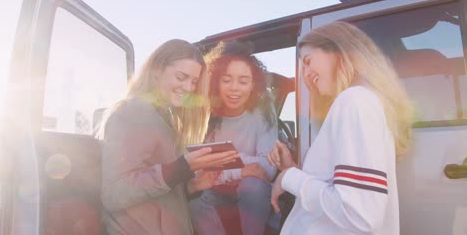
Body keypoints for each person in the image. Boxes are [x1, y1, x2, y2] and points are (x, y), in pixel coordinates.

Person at [268, 21, 414, 234]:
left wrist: (289, 177)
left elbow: (359, 214)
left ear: (338, 50)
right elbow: (341, 190)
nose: (305, 73)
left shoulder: (354, 100)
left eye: (308, 61)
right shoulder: (360, 101)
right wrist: (291, 168)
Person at [99, 39, 239, 235]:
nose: (189, 87)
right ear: (156, 70)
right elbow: (115, 193)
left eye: (194, 81)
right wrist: (181, 168)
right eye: (181, 77)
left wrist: (191, 187)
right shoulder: (134, 111)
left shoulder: (164, 118)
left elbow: (158, 191)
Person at [190, 41, 278, 235]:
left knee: (252, 185)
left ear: (253, 85)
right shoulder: (206, 114)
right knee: (192, 196)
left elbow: (267, 168)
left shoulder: (263, 114)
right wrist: (243, 167)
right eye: (226, 80)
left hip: (253, 194)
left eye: (243, 81)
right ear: (216, 82)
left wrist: (224, 164)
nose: (234, 88)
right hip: (214, 191)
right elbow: (200, 167)